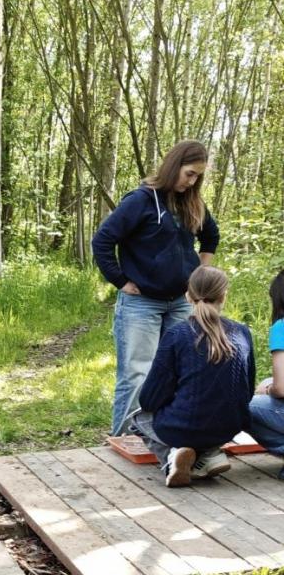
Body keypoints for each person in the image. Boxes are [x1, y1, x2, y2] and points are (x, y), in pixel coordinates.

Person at [92, 140, 221, 435]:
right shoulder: (140, 201)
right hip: (142, 304)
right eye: (189, 174)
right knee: (137, 373)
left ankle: (163, 437)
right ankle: (124, 439)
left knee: (179, 371)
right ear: (174, 165)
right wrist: (121, 281)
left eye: (198, 177)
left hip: (181, 302)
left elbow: (211, 236)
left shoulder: (192, 202)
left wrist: (200, 273)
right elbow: (102, 241)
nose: (192, 182)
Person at [131, 266, 255, 487]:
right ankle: (208, 455)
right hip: (230, 426)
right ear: (224, 295)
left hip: (183, 427)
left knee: (137, 419)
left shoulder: (177, 334)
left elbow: (150, 398)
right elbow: (248, 389)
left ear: (188, 295)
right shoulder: (242, 332)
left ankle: (173, 459)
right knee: (204, 415)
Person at [248, 269, 284, 480]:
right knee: (266, 382)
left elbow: (281, 388)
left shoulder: (281, 327)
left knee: (245, 405)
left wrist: (268, 390)